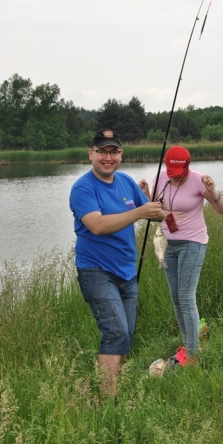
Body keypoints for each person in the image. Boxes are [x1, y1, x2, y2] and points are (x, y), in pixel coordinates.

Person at [69, 129, 165, 398]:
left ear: (121, 155)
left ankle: (114, 388)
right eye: (102, 151)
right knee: (115, 332)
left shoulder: (126, 181)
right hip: (96, 271)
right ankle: (108, 402)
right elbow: (97, 225)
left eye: (113, 152)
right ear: (91, 154)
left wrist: (158, 209)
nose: (108, 157)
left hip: (127, 271)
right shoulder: (83, 188)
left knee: (127, 334)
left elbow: (154, 213)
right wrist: (138, 212)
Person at [139, 145, 223, 366]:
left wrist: (213, 191)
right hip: (168, 244)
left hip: (193, 243)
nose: (175, 177)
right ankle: (188, 343)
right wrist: (146, 194)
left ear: (187, 167)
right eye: (172, 172)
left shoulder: (198, 180)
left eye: (179, 173)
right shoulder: (160, 177)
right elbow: (156, 209)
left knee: (186, 297)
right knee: (176, 299)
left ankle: (193, 353)